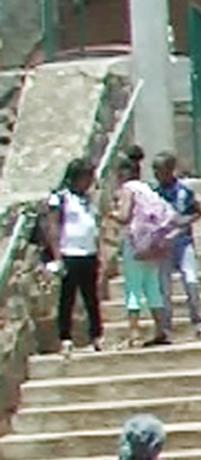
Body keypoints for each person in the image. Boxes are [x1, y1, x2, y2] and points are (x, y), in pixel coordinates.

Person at [105, 146, 173, 349]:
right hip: (152, 244)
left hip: (135, 244)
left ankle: (134, 333)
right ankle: (161, 330)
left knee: (133, 289)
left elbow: (125, 216)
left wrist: (110, 214)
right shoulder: (146, 188)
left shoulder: (128, 189)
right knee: (153, 287)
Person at [40, 158, 103, 353]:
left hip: (88, 253)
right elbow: (53, 226)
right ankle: (65, 337)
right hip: (69, 253)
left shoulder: (87, 199)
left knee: (91, 296)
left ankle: (96, 335)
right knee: (68, 297)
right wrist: (58, 256)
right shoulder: (60, 197)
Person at [150, 152, 201, 341]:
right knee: (164, 288)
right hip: (163, 246)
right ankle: (165, 327)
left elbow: (197, 212)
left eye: (161, 170)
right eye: (155, 171)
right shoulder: (154, 194)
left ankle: (198, 322)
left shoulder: (184, 191)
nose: (158, 175)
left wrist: (182, 223)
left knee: (191, 281)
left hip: (183, 243)